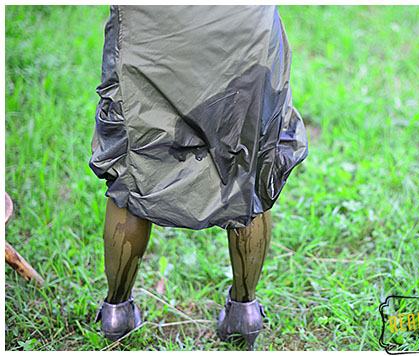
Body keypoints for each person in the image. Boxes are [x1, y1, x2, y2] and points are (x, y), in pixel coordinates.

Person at [90, 5, 308, 350]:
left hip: (150, 28)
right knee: (247, 162)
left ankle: (116, 311)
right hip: (243, 24)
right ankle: (244, 311)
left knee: (133, 166)